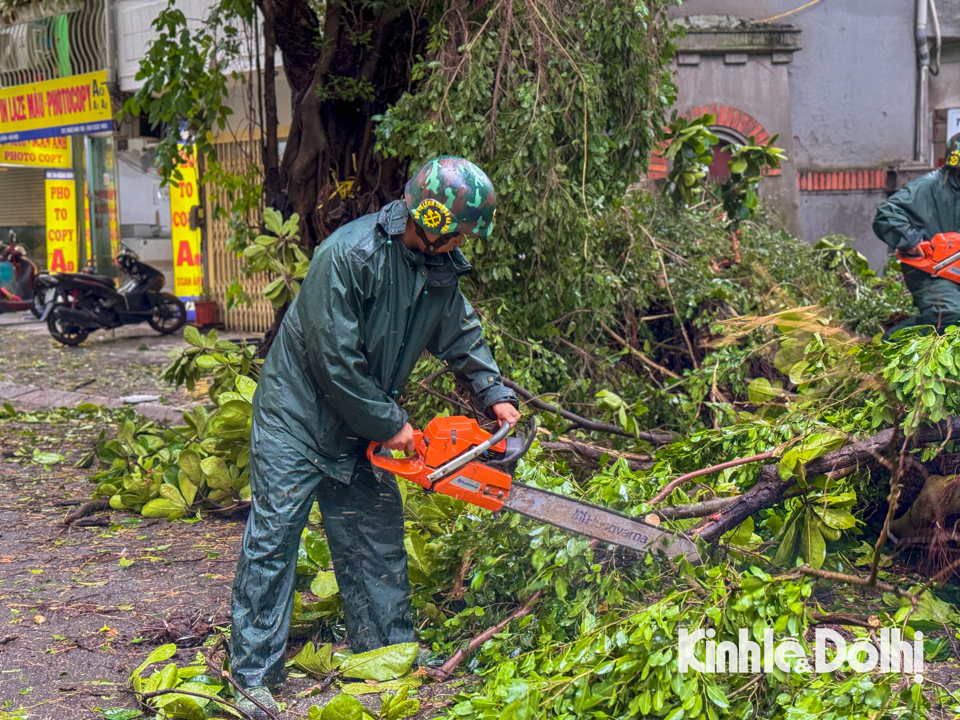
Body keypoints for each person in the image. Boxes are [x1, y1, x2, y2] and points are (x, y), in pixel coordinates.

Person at [229, 156, 521, 717]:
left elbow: (458, 330)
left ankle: (386, 652)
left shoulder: (438, 269)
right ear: (432, 216)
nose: (464, 240)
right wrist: (393, 427)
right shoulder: (347, 255)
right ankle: (252, 677)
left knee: (374, 536)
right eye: (460, 228)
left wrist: (494, 393)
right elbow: (335, 361)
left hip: (361, 426)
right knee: (274, 542)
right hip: (298, 420)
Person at [874, 133, 960, 337]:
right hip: (931, 272)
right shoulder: (929, 187)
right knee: (949, 314)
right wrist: (911, 240)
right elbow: (886, 215)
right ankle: (893, 342)